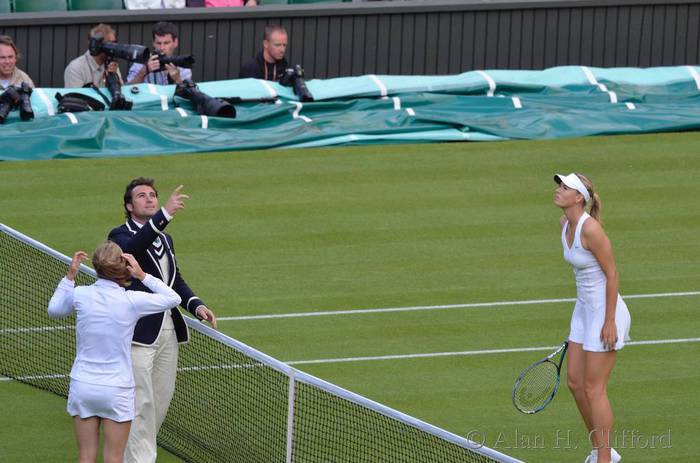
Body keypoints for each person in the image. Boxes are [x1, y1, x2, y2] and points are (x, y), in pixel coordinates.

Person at [108, 178, 217, 463]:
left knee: (158, 403)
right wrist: (164, 215)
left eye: (153, 195)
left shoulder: (165, 239)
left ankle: (134, 456)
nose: (150, 199)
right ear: (129, 206)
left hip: (168, 330)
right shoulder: (119, 236)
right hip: (139, 334)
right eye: (141, 196)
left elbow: (174, 280)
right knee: (139, 403)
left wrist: (197, 305)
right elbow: (135, 249)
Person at [48, 242, 181, 463]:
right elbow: (173, 298)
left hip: (83, 386)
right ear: (123, 267)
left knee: (86, 456)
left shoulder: (80, 294)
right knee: (114, 458)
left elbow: (54, 309)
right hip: (117, 390)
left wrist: (70, 276)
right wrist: (142, 275)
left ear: (97, 267)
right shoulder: (131, 300)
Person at [553, 173, 631, 463]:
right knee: (575, 383)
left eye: (565, 187)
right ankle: (602, 450)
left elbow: (612, 274)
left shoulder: (591, 230)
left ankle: (604, 459)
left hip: (605, 312)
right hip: (583, 310)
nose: (558, 190)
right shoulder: (564, 225)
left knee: (593, 388)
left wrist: (609, 321)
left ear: (578, 198)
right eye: (559, 185)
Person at [64, 23, 123, 88]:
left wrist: (113, 77)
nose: (113, 48)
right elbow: (74, 97)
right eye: (109, 44)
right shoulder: (75, 68)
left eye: (114, 42)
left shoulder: (111, 64)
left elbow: (120, 93)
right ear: (96, 46)